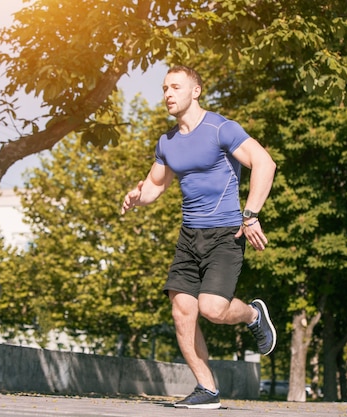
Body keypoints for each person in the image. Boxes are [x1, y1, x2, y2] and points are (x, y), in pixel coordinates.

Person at [121, 65, 277, 409]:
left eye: (175, 86)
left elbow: (264, 163)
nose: (168, 94)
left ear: (196, 90)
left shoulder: (220, 128)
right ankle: (207, 389)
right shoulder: (168, 142)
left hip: (225, 233)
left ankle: (252, 315)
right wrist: (137, 195)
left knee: (212, 308)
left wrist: (250, 214)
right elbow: (155, 185)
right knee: (182, 310)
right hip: (189, 235)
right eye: (164, 88)